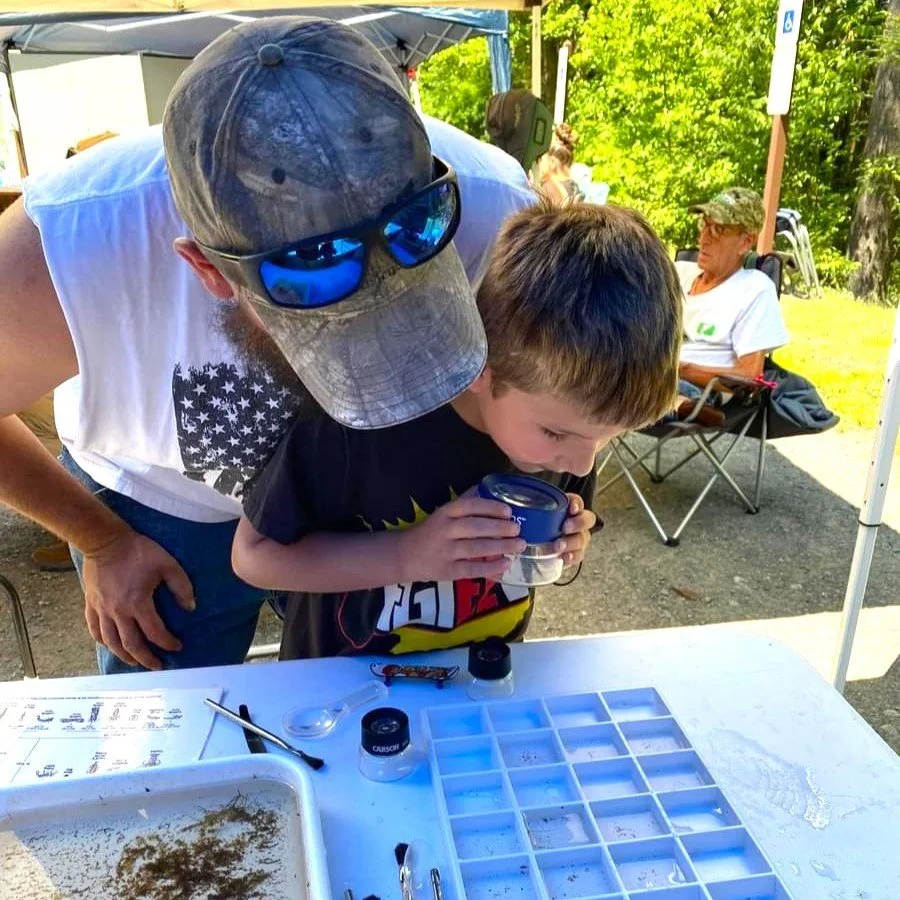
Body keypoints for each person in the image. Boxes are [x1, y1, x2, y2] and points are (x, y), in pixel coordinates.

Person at [0, 17, 534, 675]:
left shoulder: (497, 206)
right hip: (161, 510)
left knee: (382, 708)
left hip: (368, 493)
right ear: (206, 268)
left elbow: (557, 375)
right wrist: (103, 541)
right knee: (184, 744)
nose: (373, 350)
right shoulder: (70, 243)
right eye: (315, 283)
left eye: (416, 237)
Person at [232, 201, 682, 658]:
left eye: (609, 438)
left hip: (480, 686)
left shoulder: (562, 437)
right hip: (345, 696)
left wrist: (569, 541)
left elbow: (563, 508)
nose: (583, 462)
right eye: (556, 433)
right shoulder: (363, 420)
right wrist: (407, 555)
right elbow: (253, 555)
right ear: (480, 365)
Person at [676, 188, 789, 401]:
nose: (704, 239)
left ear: (746, 242)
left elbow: (750, 376)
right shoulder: (678, 274)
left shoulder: (753, 289)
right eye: (705, 225)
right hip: (640, 374)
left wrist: (679, 369)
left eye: (718, 230)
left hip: (694, 391)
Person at [537, 123, 584, 206]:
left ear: (552, 162)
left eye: (541, 159)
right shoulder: (575, 188)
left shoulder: (549, 187)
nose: (539, 164)